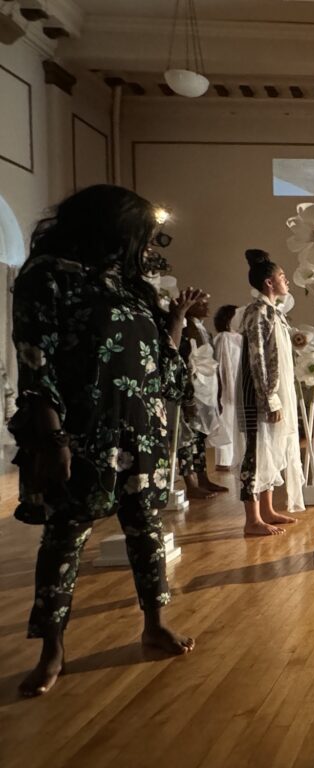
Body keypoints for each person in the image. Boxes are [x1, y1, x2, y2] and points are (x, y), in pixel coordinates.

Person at [9, 184, 197, 697]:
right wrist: (52, 437)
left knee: (146, 530)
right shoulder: (46, 276)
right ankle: (52, 648)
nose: (142, 245)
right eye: (136, 234)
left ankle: (154, 624)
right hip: (79, 432)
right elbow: (35, 357)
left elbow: (163, 367)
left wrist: (176, 323)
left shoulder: (132, 286)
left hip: (140, 431)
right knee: (65, 537)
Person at [238, 249, 305, 535]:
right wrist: (269, 398)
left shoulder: (274, 313)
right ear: (269, 282)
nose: (286, 281)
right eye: (282, 277)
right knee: (256, 451)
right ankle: (252, 519)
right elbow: (259, 359)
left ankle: (267, 509)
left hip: (274, 392)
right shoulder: (257, 313)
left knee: (271, 449)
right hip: (259, 394)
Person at [177, 291, 228, 498]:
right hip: (192, 389)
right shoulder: (186, 329)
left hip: (206, 389)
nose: (207, 307)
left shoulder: (202, 329)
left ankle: (203, 477)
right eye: (202, 304)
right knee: (186, 437)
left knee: (199, 437)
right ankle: (190, 484)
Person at [212, 304, 242, 470]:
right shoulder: (224, 338)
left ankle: (236, 458)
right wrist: (227, 389)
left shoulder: (238, 338)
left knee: (236, 424)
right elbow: (223, 365)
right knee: (227, 423)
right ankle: (223, 461)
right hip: (228, 388)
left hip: (238, 386)